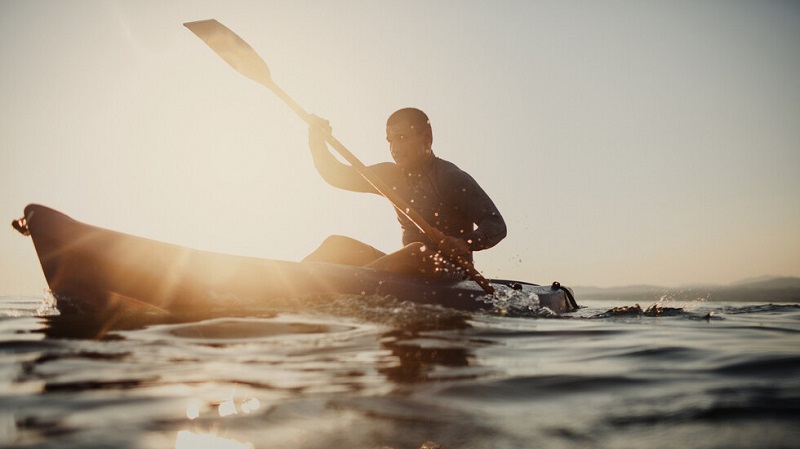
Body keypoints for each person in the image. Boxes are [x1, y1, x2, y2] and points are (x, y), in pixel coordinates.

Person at [303, 107, 506, 279]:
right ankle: (292, 285)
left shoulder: (450, 177)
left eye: (401, 138)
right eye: (390, 140)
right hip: (405, 271)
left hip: (451, 273)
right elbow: (336, 175)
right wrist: (316, 141)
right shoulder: (390, 176)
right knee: (337, 245)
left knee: (418, 252)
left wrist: (465, 243)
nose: (394, 148)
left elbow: (496, 223)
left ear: (427, 139)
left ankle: (344, 287)